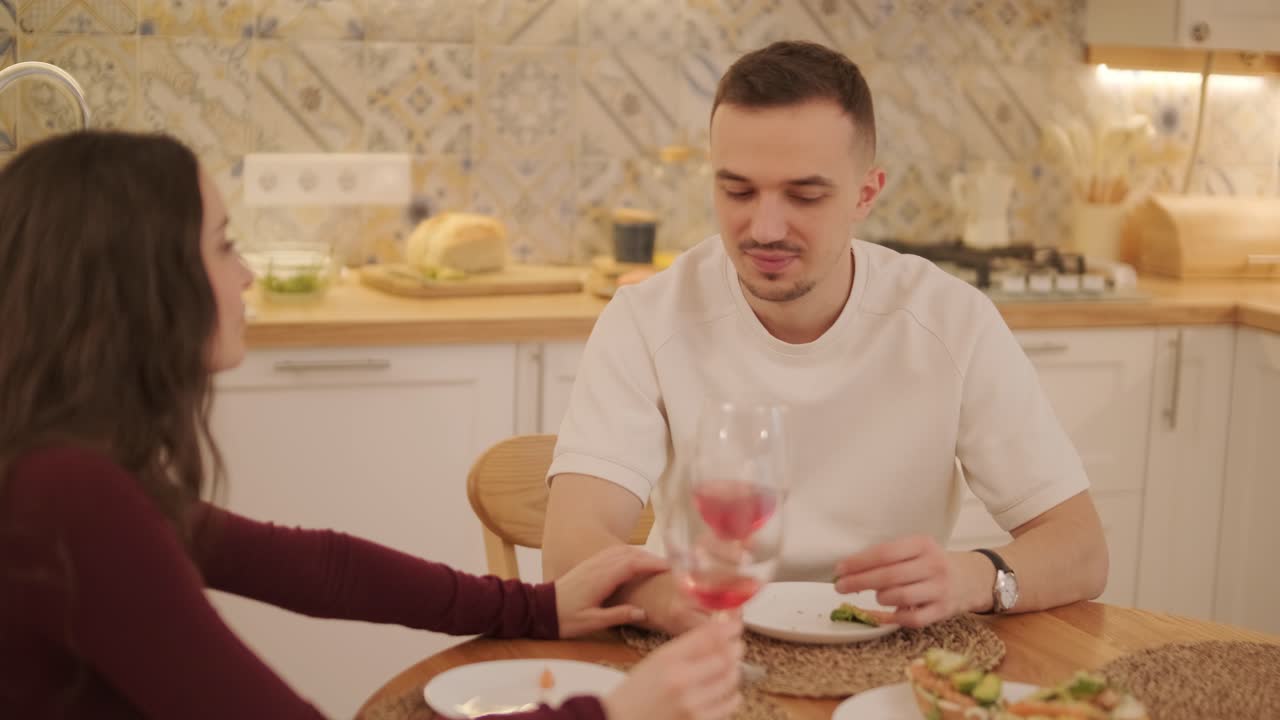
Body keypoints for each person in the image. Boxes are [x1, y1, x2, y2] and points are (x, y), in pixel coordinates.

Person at [0, 131, 743, 720]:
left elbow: (317, 567)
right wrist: (611, 713)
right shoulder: (70, 501)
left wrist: (536, 606)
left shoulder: (63, 472)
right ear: (145, 287)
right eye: (225, 244)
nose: (248, 274)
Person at [542, 40, 1109, 635]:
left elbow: (1082, 547)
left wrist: (975, 577)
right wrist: (670, 599)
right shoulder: (647, 317)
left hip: (889, 654)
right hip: (695, 642)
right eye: (736, 191)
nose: (763, 228)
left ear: (866, 193)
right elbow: (570, 546)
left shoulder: (951, 322)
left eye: (804, 196)